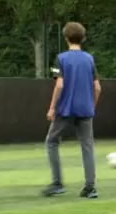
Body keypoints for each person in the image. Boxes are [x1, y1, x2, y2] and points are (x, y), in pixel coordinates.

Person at [43, 22, 102, 198]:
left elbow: (59, 85)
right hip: (85, 109)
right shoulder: (89, 59)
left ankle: (57, 183)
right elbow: (97, 88)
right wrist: (91, 106)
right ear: (83, 38)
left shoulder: (60, 59)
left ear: (66, 38)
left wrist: (52, 107)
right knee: (87, 146)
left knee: (52, 141)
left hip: (65, 109)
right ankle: (90, 187)